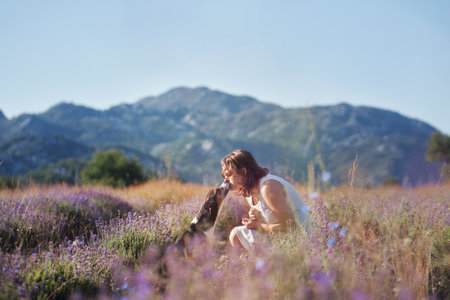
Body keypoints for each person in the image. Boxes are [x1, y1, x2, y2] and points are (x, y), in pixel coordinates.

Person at [221, 149, 311, 251]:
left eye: (229, 175)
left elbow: (291, 227)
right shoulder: (248, 192)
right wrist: (257, 218)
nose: (226, 180)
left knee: (238, 234)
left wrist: (258, 225)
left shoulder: (268, 187)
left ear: (243, 171)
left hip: (301, 240)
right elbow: (270, 219)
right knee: (236, 235)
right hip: (279, 237)